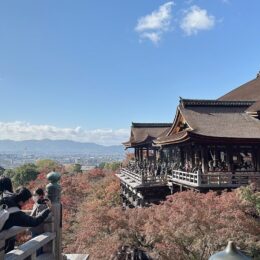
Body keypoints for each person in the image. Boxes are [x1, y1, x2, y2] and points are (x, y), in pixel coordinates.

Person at [0, 187, 51, 253]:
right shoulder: (16, 213)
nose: (28, 202)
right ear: (21, 201)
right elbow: (34, 222)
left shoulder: (4, 198)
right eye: (27, 201)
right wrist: (48, 209)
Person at [30, 188, 49, 256]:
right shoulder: (37, 203)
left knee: (37, 248)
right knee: (36, 248)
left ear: (40, 195)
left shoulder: (43, 203)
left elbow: (41, 215)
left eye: (35, 194)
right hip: (35, 227)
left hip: (38, 228)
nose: (34, 196)